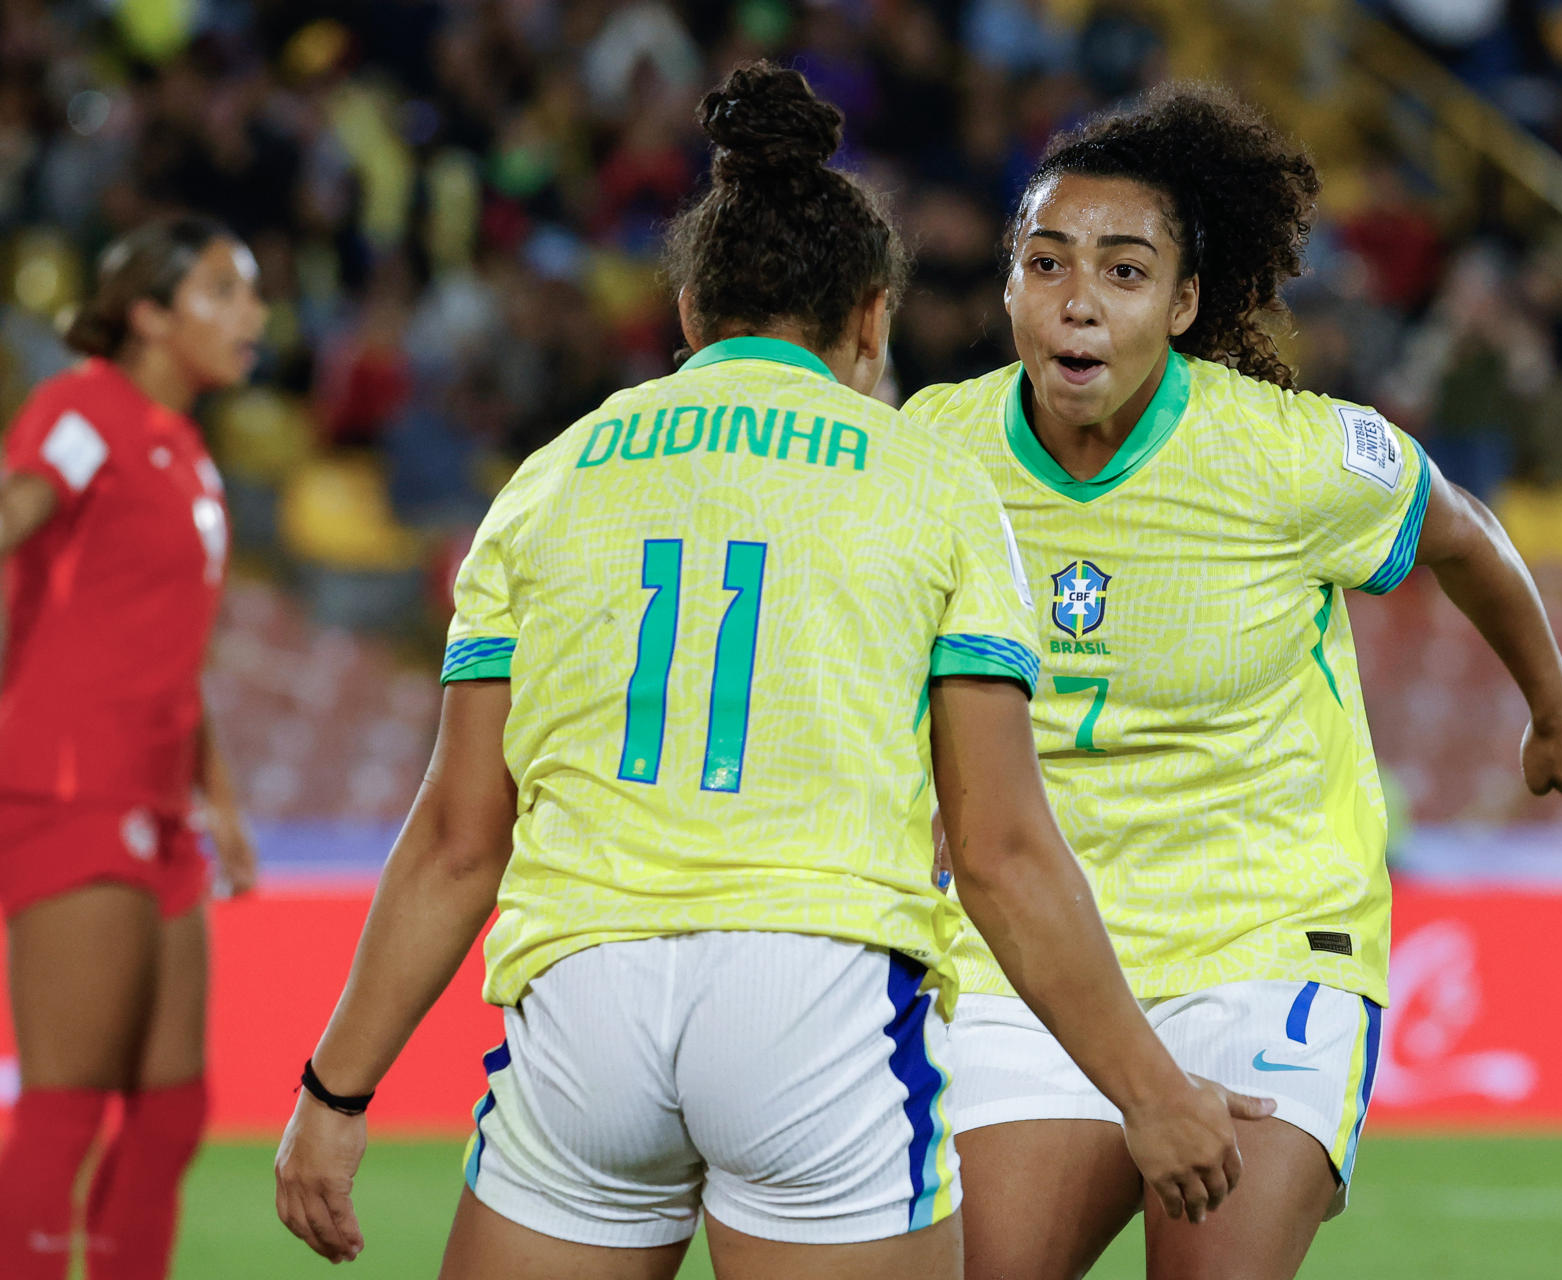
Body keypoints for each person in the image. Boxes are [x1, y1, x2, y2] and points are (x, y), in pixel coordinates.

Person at [272, 63, 1267, 1280]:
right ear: (871, 321)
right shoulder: (931, 484)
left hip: (586, 994)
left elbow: (456, 839)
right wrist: (1151, 1092)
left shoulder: (550, 479)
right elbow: (1002, 851)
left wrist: (336, 1088)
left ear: (690, 312)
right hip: (815, 995)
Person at [906, 84, 1562, 1280]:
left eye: (1125, 272)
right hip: (1025, 950)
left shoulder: (1292, 456)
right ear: (1010, 285)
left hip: (1266, 932)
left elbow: (1463, 531)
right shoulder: (930, 453)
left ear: (1184, 302)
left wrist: (1555, 706)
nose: (1078, 298)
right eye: (1047, 262)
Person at [0, 215, 264, 1280]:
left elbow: (167, 651)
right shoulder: (86, 410)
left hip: (161, 809)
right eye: (223, 291)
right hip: (69, 787)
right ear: (150, 315)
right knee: (67, 1104)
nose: (253, 315)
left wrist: (222, 800)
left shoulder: (188, 451)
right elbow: (19, 506)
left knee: (169, 1110)